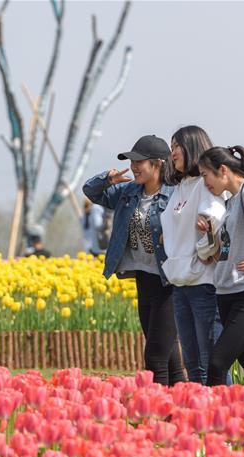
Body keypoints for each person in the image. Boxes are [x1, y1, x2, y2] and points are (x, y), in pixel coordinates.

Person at [83, 135, 186, 386]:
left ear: (158, 164)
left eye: (140, 162)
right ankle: (184, 409)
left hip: (168, 281)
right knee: (168, 354)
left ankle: (158, 414)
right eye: (132, 162)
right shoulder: (128, 192)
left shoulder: (176, 196)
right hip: (144, 277)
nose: (134, 167)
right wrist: (107, 180)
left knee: (155, 356)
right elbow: (90, 191)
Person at [198, 146, 244, 388]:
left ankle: (215, 422)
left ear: (222, 170)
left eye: (204, 175)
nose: (204, 182)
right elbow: (223, 253)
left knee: (217, 364)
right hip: (227, 293)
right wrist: (211, 235)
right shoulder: (230, 202)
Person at [160, 126, 227, 385]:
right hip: (180, 283)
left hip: (203, 284)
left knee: (211, 363)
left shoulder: (204, 183)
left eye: (177, 146)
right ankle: (199, 418)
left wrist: (206, 232)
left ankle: (225, 415)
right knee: (192, 364)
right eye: (172, 146)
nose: (172, 152)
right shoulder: (180, 187)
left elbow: (215, 216)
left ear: (192, 147)